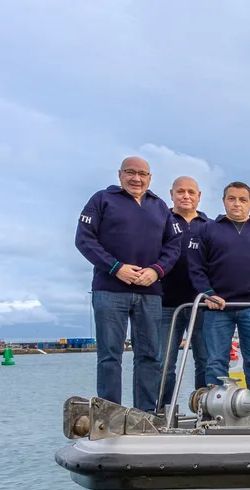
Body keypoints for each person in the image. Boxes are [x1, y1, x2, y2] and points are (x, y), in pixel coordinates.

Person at [75, 156, 182, 412]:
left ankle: (145, 413)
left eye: (142, 174)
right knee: (110, 355)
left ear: (150, 177)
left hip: (150, 293)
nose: (136, 178)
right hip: (110, 290)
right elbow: (84, 239)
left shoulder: (160, 208)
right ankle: (110, 412)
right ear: (120, 174)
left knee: (150, 356)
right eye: (130, 172)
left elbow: (174, 246)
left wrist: (156, 271)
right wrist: (116, 268)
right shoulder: (101, 200)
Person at [189, 182, 250, 418]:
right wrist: (208, 294)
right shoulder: (208, 230)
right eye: (231, 198)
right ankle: (214, 414)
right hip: (217, 307)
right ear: (224, 201)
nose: (237, 204)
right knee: (215, 363)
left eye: (242, 200)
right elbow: (196, 268)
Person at [157, 176, 210, 411]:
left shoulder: (211, 226)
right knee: (164, 363)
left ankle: (205, 410)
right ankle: (162, 410)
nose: (185, 196)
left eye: (191, 192)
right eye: (180, 192)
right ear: (171, 194)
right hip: (165, 303)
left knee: (206, 361)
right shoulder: (160, 221)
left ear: (199, 196)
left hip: (203, 305)